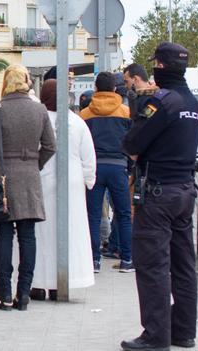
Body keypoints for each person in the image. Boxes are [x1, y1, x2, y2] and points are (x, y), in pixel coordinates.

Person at [119, 42, 198, 351]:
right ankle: (183, 332)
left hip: (159, 193)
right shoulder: (193, 103)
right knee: (183, 267)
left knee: (153, 265)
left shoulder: (162, 103)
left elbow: (132, 142)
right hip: (184, 192)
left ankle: (155, 336)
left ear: (161, 67)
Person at [0, 64, 56, 311]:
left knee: (3, 234)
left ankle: (5, 296)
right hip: (30, 176)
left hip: (2, 177)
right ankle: (24, 295)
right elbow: (50, 147)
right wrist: (34, 164)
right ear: (26, 82)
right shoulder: (40, 109)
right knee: (28, 236)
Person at [31, 79, 97, 301]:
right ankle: (65, 281)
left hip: (40, 182)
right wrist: (88, 180)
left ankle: (38, 283)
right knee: (69, 233)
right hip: (72, 185)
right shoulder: (77, 123)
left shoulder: (37, 120)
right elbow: (89, 158)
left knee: (40, 235)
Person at [81, 71, 134, 273]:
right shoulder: (125, 112)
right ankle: (127, 260)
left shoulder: (85, 114)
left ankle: (94, 261)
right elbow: (132, 141)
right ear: (114, 89)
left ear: (95, 88)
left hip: (95, 168)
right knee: (124, 214)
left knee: (93, 215)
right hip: (118, 167)